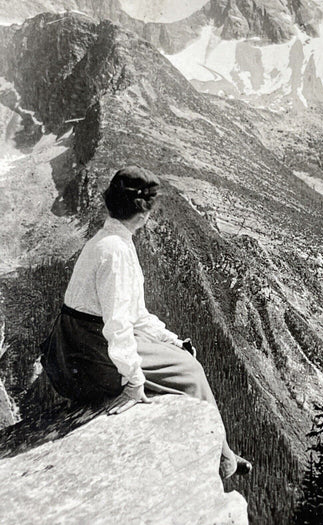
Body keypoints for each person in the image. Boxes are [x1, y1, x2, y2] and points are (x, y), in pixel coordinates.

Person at [40, 166, 251, 480]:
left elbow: (134, 315)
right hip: (89, 354)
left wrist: (168, 340)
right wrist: (134, 382)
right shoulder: (116, 251)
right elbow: (118, 325)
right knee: (190, 371)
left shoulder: (108, 240)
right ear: (143, 215)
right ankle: (223, 459)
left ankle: (220, 450)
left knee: (179, 354)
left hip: (76, 346)